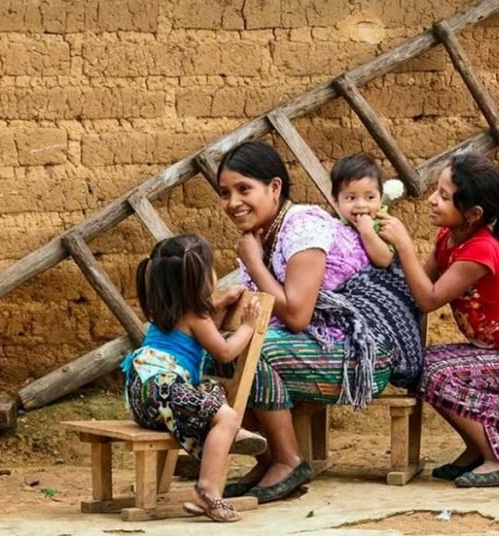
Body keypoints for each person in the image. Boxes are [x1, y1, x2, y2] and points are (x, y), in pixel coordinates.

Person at [216, 141, 422, 503]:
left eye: (244, 189)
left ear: (275, 187)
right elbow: (266, 311)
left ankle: (288, 460)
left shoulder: (303, 228)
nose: (233, 202)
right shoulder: (265, 236)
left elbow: (295, 315)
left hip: (362, 356)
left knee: (250, 348)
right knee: (224, 349)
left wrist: (253, 265)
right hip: (322, 347)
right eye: (225, 192)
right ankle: (268, 460)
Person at [378, 152, 499, 488]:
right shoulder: (448, 238)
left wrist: (404, 245)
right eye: (437, 190)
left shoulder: (480, 250)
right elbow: (415, 284)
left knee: (431, 372)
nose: (432, 200)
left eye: (445, 197)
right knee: (420, 365)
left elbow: (429, 298)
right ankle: (477, 448)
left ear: (473, 214)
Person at [121, 234, 264, 522]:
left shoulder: (163, 310)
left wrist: (220, 306)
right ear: (200, 278)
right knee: (225, 416)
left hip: (141, 397)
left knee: (211, 397)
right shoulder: (196, 317)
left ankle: (235, 434)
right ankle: (207, 490)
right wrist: (248, 327)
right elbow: (223, 352)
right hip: (166, 388)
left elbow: (201, 339)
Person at [330, 153, 394, 267]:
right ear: (336, 201)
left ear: (380, 198)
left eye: (370, 197)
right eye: (351, 198)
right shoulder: (333, 227)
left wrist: (367, 232)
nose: (360, 205)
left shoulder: (384, 225)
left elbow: (385, 261)